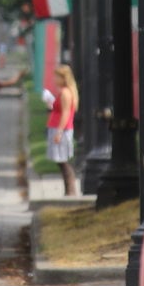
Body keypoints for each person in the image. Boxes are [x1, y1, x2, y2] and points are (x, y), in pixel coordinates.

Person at [45, 64, 79, 196]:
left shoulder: (65, 93)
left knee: (62, 160)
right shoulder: (64, 92)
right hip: (56, 126)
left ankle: (70, 190)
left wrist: (59, 131)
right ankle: (68, 189)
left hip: (61, 129)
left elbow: (65, 113)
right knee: (60, 160)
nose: (54, 79)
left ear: (63, 78)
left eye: (57, 76)